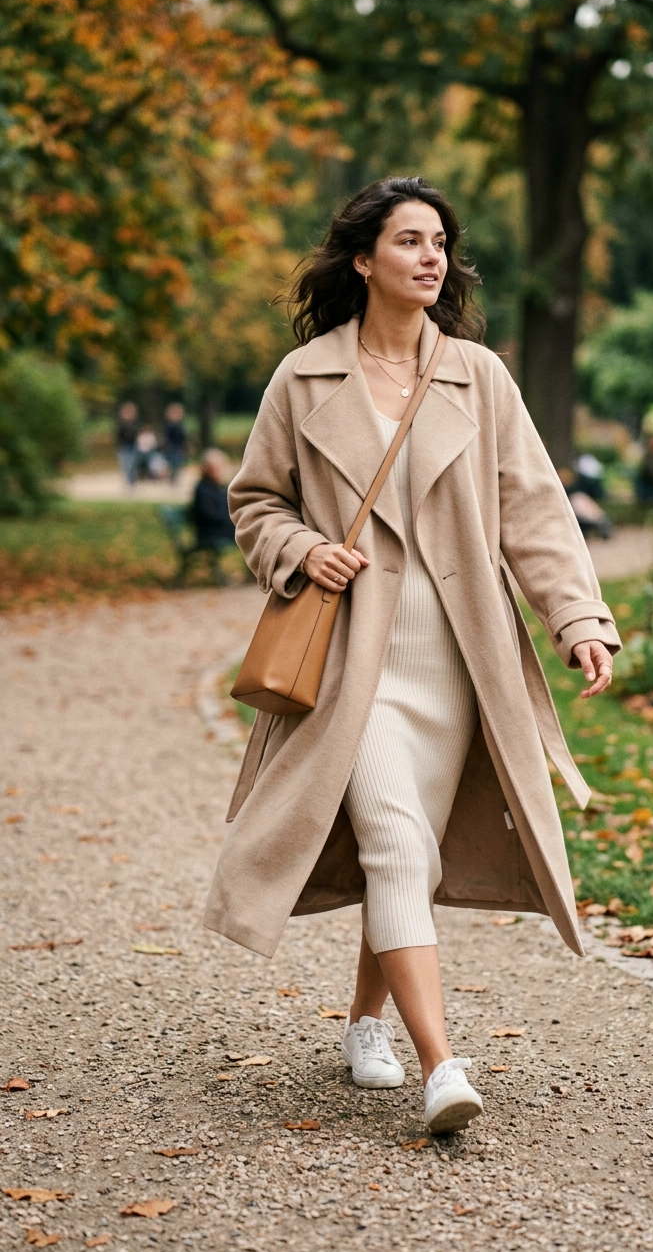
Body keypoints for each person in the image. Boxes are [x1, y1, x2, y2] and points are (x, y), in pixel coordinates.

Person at [204, 177, 620, 1136]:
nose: (432, 258)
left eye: (440, 243)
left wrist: (579, 618)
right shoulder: (303, 378)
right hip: (353, 657)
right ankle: (444, 1066)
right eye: (409, 242)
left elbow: (534, 508)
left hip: (457, 657)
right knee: (394, 841)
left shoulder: (480, 375)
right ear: (364, 260)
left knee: (412, 856)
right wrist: (302, 549)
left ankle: (363, 1022)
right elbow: (254, 501)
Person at [190, 450, 236, 551]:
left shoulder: (219, 487)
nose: (221, 471)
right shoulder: (203, 489)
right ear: (207, 469)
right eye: (217, 468)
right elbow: (208, 514)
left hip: (220, 530)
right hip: (210, 534)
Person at [115, 401, 139, 487]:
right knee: (126, 465)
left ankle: (132, 482)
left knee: (132, 465)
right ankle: (128, 482)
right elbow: (119, 436)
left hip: (133, 446)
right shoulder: (122, 424)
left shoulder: (135, 424)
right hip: (124, 447)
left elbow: (136, 436)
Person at [163, 402, 188, 482]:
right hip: (171, 447)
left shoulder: (180, 425)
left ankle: (175, 479)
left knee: (177, 464)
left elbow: (183, 437)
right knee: (172, 464)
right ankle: (173, 479)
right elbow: (166, 437)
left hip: (178, 447)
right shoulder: (169, 425)